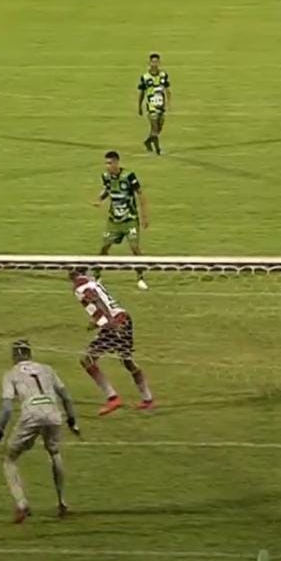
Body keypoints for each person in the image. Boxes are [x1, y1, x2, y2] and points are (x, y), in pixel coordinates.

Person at [0, 340, 79, 523]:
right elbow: (66, 396)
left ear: (14, 356)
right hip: (53, 413)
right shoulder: (47, 369)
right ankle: (62, 502)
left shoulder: (11, 374)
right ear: (30, 353)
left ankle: (22, 504)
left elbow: (7, 408)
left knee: (9, 459)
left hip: (31, 414)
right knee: (54, 453)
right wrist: (72, 421)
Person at [70, 268, 154, 415]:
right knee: (126, 360)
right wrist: (96, 321)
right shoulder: (93, 282)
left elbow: (97, 300)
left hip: (114, 323)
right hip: (124, 318)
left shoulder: (80, 287)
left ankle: (113, 398)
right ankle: (148, 400)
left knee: (87, 360)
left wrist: (109, 321)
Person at [93, 151, 150, 290]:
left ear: (116, 162)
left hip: (130, 219)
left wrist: (144, 216)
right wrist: (100, 199)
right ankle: (96, 275)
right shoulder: (106, 176)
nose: (107, 166)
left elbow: (140, 194)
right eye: (106, 163)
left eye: (110, 163)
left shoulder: (129, 176)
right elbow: (108, 189)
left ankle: (140, 277)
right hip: (114, 220)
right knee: (105, 247)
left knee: (134, 248)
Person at [137, 52, 171, 155]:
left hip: (161, 106)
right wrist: (139, 106)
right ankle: (158, 150)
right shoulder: (145, 77)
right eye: (153, 62)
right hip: (151, 107)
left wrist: (168, 102)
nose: (155, 64)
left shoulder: (163, 75)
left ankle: (148, 141)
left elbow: (167, 89)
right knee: (155, 129)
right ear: (149, 63)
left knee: (159, 129)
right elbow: (142, 92)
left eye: (156, 62)